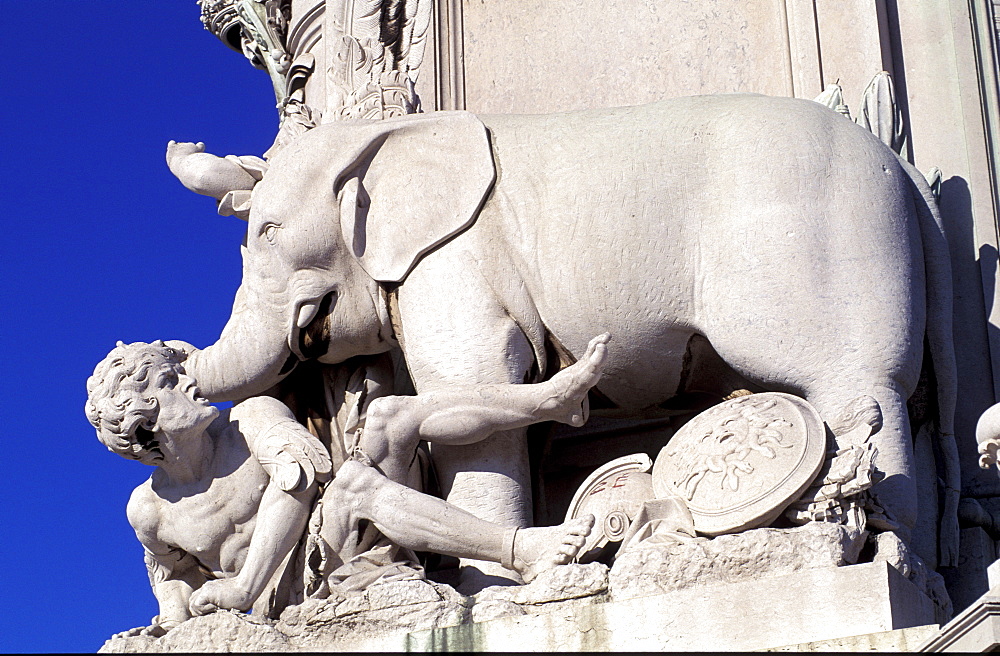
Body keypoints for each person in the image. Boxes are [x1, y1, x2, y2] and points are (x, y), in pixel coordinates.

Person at [86, 335, 608, 634]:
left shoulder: (249, 418)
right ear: (146, 423)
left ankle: (546, 402)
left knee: (387, 416)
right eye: (170, 382)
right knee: (357, 483)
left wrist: (241, 585)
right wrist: (174, 622)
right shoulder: (149, 510)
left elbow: (299, 476)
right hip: (287, 598)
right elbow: (172, 576)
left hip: (320, 537)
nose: (191, 379)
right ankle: (519, 549)